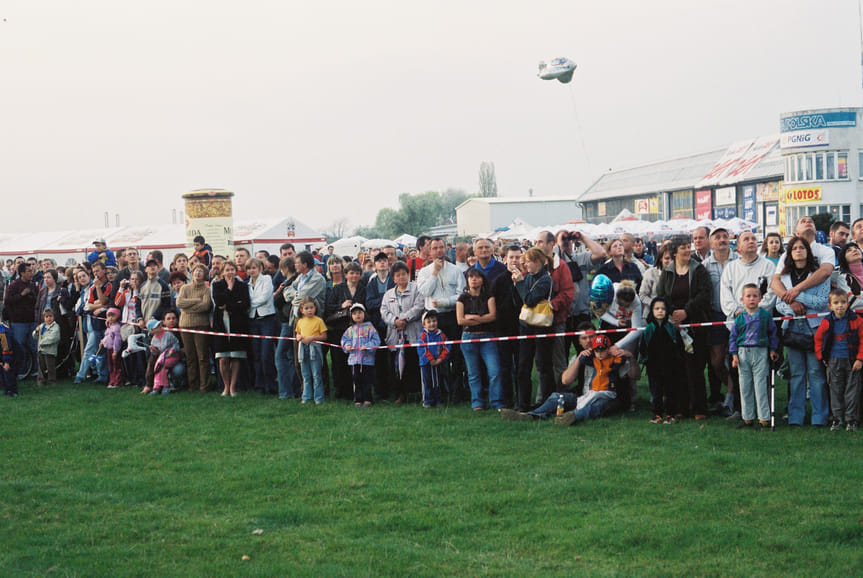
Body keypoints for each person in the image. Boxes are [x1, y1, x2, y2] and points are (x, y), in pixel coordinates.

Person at [500, 334, 637, 424]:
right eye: (584, 338)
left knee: (597, 407)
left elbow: (636, 376)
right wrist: (578, 359)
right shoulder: (583, 358)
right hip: (585, 395)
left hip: (609, 397)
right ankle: (531, 415)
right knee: (556, 397)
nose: (600, 353)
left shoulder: (617, 359)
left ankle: (572, 417)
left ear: (610, 348)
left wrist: (630, 357)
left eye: (591, 337)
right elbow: (565, 381)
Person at [720, 231, 778, 418]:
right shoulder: (731, 268)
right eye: (746, 239)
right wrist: (739, 311)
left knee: (762, 376)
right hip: (739, 328)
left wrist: (755, 310)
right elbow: (725, 293)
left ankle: (764, 413)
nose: (751, 242)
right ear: (738, 247)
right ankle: (742, 411)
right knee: (739, 373)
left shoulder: (767, 266)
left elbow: (771, 292)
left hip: (760, 328)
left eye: (754, 239)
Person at [775, 236, 831, 428]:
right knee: (796, 374)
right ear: (789, 253)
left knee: (816, 374)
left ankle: (819, 418)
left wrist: (797, 294)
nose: (798, 250)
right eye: (794, 248)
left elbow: (822, 302)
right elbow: (779, 304)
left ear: (808, 251)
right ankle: (795, 417)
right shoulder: (783, 276)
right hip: (792, 328)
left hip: (815, 328)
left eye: (802, 247)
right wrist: (793, 305)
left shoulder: (818, 274)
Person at [655, 235, 712, 419]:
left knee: (694, 368)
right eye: (683, 247)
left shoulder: (699, 270)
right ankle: (678, 408)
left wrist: (686, 311)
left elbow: (704, 294)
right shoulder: (667, 272)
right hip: (674, 326)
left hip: (695, 324)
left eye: (689, 246)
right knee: (675, 367)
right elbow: (661, 295)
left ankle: (699, 408)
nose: (688, 250)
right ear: (675, 252)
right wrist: (673, 313)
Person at [416, 237, 466, 402]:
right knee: (436, 356)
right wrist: (434, 273)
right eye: (435, 248)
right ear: (429, 251)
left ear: (446, 249)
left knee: (456, 355)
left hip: (452, 316)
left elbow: (461, 294)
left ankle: (457, 392)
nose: (438, 251)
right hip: (433, 319)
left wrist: (446, 301)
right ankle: (440, 392)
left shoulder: (456, 270)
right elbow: (425, 292)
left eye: (441, 247)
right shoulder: (424, 272)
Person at [729, 284, 779, 430]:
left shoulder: (765, 316)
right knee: (745, 386)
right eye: (748, 296)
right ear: (742, 299)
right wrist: (734, 355)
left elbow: (772, 333)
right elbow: (733, 337)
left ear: (760, 298)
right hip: (743, 352)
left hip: (760, 351)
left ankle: (764, 418)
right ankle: (747, 417)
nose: (751, 299)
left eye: (755, 296)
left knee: (760, 385)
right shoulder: (739, 318)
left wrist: (772, 350)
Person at [814, 289, 863, 432]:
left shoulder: (856, 321)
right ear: (830, 306)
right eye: (836, 303)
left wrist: (860, 358)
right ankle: (837, 419)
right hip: (834, 360)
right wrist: (821, 357)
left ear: (848, 304)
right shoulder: (826, 322)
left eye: (843, 302)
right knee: (835, 390)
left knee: (852, 391)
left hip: (852, 361)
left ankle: (851, 419)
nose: (840, 306)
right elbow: (818, 339)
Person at [513, 247, 554, 411]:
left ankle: (546, 403)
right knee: (523, 365)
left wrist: (520, 283)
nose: (525, 264)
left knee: (543, 365)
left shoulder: (546, 280)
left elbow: (529, 300)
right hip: (526, 326)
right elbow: (521, 300)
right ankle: (522, 403)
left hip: (541, 327)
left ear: (538, 262)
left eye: (528, 261)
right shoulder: (528, 277)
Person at [701, 227, 738, 410]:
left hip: (737, 316)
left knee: (736, 359)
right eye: (717, 237)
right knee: (716, 362)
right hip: (716, 316)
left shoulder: (739, 260)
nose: (722, 240)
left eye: (725, 236)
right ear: (711, 242)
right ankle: (730, 390)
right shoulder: (705, 266)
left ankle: (733, 398)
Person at [457, 268, 502, 411]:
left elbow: (493, 316)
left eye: (477, 277)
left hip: (487, 337)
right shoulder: (462, 299)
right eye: (471, 277)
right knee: (473, 373)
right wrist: (483, 319)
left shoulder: (489, 296)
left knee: (494, 371)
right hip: (469, 338)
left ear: (482, 279)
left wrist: (475, 318)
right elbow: (460, 320)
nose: (474, 279)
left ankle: (496, 402)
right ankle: (477, 402)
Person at [534, 231, 575, 391]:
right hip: (536, 321)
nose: (537, 245)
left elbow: (568, 292)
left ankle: (563, 395)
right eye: (536, 242)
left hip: (556, 320)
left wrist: (550, 306)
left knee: (559, 361)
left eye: (540, 242)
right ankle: (542, 396)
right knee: (540, 362)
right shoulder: (532, 264)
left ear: (551, 244)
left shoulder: (561, 266)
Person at [381, 261, 424, 403]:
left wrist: (404, 319)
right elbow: (384, 312)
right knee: (397, 367)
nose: (401, 277)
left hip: (413, 334)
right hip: (395, 337)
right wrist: (395, 321)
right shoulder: (388, 295)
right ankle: (400, 394)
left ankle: (418, 393)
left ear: (408, 274)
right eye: (398, 275)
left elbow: (419, 306)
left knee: (414, 364)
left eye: (404, 274)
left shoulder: (417, 289)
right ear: (393, 278)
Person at [640, 297, 684, 424]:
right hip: (653, 366)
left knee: (671, 390)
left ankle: (671, 414)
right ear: (652, 311)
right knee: (656, 391)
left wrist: (678, 360)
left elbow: (679, 345)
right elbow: (643, 347)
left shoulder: (672, 328)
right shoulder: (649, 329)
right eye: (657, 308)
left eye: (663, 309)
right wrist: (646, 360)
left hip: (670, 365)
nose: (660, 311)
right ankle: (657, 414)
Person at [326, 261, 366, 399]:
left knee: (355, 361)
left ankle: (355, 389)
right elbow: (328, 308)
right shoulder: (338, 289)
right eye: (351, 273)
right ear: (346, 274)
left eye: (357, 273)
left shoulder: (363, 288)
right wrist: (341, 305)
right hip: (340, 329)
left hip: (358, 330)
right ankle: (340, 390)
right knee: (339, 361)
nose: (354, 276)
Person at [491, 245, 524, 406]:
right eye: (511, 257)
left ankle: (521, 399)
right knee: (504, 366)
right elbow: (495, 305)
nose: (514, 261)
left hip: (522, 328)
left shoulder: (526, 278)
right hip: (503, 328)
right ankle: (507, 400)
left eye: (517, 257)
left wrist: (520, 283)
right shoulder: (499, 280)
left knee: (521, 366)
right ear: (505, 259)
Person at [211, 261, 250, 396]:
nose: (230, 272)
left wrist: (228, 304)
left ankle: (233, 387)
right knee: (223, 358)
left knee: (235, 356)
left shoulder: (242, 286)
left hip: (237, 324)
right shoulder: (217, 285)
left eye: (232, 269)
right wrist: (228, 288)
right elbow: (219, 302)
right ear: (222, 272)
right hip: (221, 324)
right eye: (227, 270)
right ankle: (226, 386)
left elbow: (245, 304)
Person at [74, 261, 114, 384]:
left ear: (103, 271)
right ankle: (83, 374)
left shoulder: (108, 285)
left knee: (103, 350)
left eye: (98, 270)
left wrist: (99, 297)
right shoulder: (91, 289)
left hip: (106, 323)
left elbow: (105, 301)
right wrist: (98, 304)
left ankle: (102, 375)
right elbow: (87, 306)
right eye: (94, 271)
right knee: (92, 349)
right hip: (94, 324)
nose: (96, 273)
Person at [176, 263, 213, 393]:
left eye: (201, 271)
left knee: (202, 356)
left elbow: (206, 306)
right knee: (190, 356)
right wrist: (197, 300)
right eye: (196, 271)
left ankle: (205, 386)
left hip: (201, 325)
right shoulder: (185, 288)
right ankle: (193, 385)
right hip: (185, 325)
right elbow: (179, 303)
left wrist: (188, 307)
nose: (198, 273)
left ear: (205, 275)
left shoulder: (207, 289)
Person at [364, 252, 394, 399]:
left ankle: (394, 389)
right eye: (379, 261)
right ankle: (380, 390)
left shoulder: (393, 280)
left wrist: (381, 301)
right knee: (379, 358)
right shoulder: (371, 283)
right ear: (375, 265)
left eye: (384, 260)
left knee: (393, 357)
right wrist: (386, 299)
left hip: (393, 324)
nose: (382, 263)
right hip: (377, 325)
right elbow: (369, 304)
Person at [245, 257, 277, 395]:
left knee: (266, 354)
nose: (252, 270)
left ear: (260, 268)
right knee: (256, 354)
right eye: (249, 268)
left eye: (254, 267)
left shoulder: (267, 280)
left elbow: (264, 298)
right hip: (253, 320)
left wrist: (247, 303)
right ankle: (259, 385)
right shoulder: (246, 284)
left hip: (266, 319)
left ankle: (271, 384)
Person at [340, 303, 380, 407]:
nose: (357, 315)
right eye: (354, 313)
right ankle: (358, 399)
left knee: (367, 380)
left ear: (364, 314)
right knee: (356, 380)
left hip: (367, 360)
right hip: (354, 360)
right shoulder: (350, 329)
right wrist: (347, 346)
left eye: (359, 313)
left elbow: (376, 340)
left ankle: (367, 399)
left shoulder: (370, 328)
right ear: (351, 316)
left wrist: (368, 346)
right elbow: (344, 340)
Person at [5, 262, 38, 378]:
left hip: (32, 320)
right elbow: (7, 301)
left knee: (34, 346)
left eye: (32, 270)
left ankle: (35, 370)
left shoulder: (33, 285)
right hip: (19, 322)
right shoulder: (14, 285)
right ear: (22, 273)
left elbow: (37, 300)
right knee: (20, 347)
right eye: (29, 271)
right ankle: (21, 370)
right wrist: (21, 295)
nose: (31, 273)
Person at [274, 257, 300, 399]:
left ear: (285, 268)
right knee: (291, 356)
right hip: (286, 321)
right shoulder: (289, 282)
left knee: (280, 355)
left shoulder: (291, 283)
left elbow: (278, 301)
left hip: (287, 323)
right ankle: (295, 389)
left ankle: (285, 391)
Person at [295, 296, 327, 404]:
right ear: (301, 310)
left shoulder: (319, 321)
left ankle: (318, 398)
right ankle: (306, 396)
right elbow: (298, 333)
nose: (309, 310)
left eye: (311, 307)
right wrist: (298, 337)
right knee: (306, 374)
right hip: (303, 349)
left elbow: (324, 336)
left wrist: (312, 338)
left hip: (315, 350)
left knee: (316, 374)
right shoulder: (300, 321)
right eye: (306, 308)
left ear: (315, 308)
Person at [141, 318, 181, 396]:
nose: (160, 327)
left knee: (160, 366)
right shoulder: (154, 340)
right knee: (159, 367)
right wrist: (153, 350)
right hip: (162, 358)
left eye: (159, 325)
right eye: (157, 327)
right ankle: (158, 386)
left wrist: (173, 349)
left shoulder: (168, 335)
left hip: (172, 357)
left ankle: (164, 386)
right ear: (151, 331)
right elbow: (157, 352)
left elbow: (176, 343)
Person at [417, 309, 448, 408]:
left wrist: (440, 359)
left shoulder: (441, 335)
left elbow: (447, 347)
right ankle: (427, 401)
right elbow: (422, 348)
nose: (432, 324)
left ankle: (438, 400)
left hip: (437, 362)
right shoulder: (423, 336)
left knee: (437, 382)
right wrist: (430, 359)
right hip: (426, 364)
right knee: (426, 382)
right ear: (424, 324)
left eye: (434, 321)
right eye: (429, 322)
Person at [639, 243, 672, 308]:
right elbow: (642, 295)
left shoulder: (680, 274)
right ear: (661, 258)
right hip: (652, 313)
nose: (670, 261)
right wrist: (656, 304)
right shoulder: (651, 273)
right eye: (667, 258)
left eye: (673, 259)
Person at [33, 308, 61, 386]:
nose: (49, 318)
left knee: (50, 367)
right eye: (47, 316)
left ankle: (52, 381)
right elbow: (35, 337)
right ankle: (41, 381)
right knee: (41, 367)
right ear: (44, 318)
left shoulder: (55, 327)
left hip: (50, 351)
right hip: (41, 350)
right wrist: (36, 331)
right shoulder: (42, 326)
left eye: (50, 316)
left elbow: (54, 338)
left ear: (53, 317)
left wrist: (42, 343)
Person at [100, 307, 124, 388]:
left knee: (116, 365)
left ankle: (118, 381)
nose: (110, 318)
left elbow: (117, 340)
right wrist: (102, 342)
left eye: (113, 316)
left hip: (114, 350)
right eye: (108, 316)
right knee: (111, 366)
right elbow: (107, 336)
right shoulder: (109, 326)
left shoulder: (116, 327)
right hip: (109, 349)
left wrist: (116, 351)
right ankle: (112, 381)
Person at [0, 321, 23, 397]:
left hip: (13, 353)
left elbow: (7, 347)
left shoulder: (3, 332)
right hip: (3, 353)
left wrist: (6, 361)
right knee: (2, 372)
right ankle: (6, 389)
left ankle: (13, 391)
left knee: (9, 371)